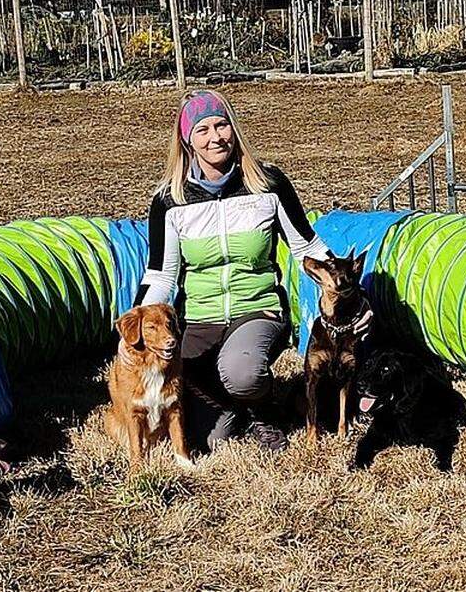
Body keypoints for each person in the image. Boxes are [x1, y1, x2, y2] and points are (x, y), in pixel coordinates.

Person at [135, 90, 369, 453]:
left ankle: (262, 410)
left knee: (241, 372)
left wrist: (355, 294)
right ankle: (236, 405)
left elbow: (306, 246)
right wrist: (135, 322)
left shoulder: (268, 184)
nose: (216, 137)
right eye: (203, 130)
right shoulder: (170, 200)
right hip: (199, 318)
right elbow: (162, 274)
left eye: (222, 125)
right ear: (187, 140)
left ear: (234, 128)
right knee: (209, 438)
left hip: (258, 310)